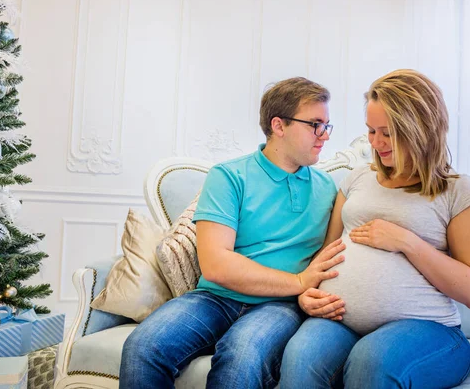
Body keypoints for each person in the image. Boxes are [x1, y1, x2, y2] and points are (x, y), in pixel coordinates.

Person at [119, 77, 346, 389]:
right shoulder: (228, 176)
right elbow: (216, 264)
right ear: (278, 126)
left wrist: (304, 288)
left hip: (281, 306)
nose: (324, 136)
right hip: (216, 298)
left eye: (327, 125)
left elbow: (329, 254)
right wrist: (297, 280)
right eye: (315, 125)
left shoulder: (328, 188)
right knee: (143, 347)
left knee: (241, 355)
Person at [280, 69, 470, 389]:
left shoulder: (457, 191)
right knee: (300, 359)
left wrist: (407, 242)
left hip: (429, 329)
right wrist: (308, 293)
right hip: (339, 321)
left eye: (388, 133)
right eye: (371, 130)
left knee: (371, 362)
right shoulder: (357, 178)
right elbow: (327, 252)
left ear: (421, 128)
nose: (376, 143)